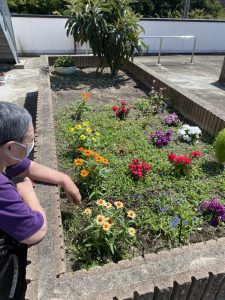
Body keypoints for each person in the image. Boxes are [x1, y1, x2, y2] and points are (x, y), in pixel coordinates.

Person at [0, 101, 81, 245]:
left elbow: (26, 167)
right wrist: (28, 193)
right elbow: (35, 232)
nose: (33, 143)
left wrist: (64, 179)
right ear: (10, 148)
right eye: (30, 140)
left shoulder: (4, 156)